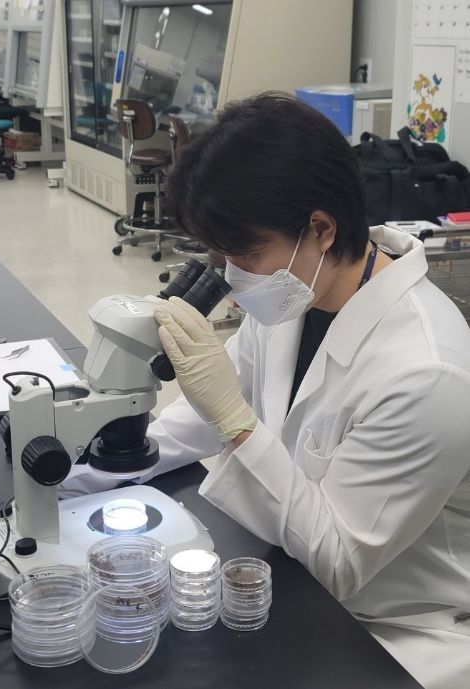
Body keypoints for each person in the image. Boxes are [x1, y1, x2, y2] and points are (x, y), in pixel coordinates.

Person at [62, 93, 470, 689]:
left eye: (245, 253)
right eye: (222, 256)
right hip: (291, 572)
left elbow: (338, 560)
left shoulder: (428, 373)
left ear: (321, 229)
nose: (233, 276)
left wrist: (237, 422)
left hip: (396, 627)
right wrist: (83, 471)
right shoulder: (296, 291)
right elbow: (206, 409)